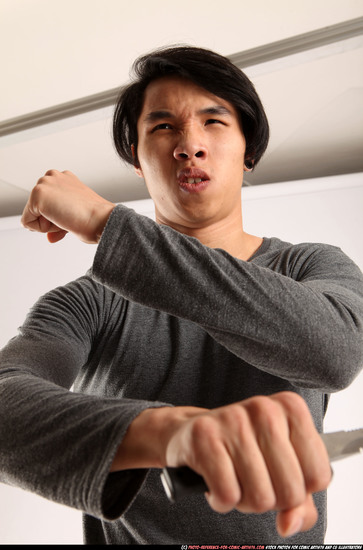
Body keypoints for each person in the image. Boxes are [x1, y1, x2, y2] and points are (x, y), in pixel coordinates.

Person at [0, 45, 362, 545]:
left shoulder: (311, 266)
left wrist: (112, 229)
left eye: (214, 122)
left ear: (248, 150)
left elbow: (336, 353)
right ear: (137, 158)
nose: (189, 145)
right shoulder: (88, 302)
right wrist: (168, 434)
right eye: (163, 126)